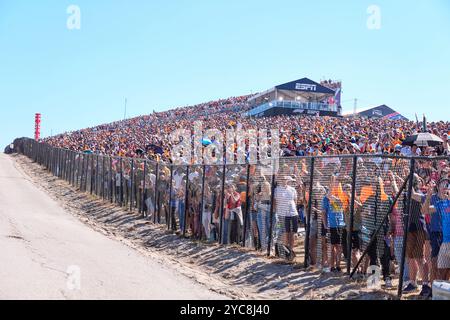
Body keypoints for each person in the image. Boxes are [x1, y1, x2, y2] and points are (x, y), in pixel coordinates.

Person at [322, 176, 346, 272]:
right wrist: (325, 224)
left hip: (340, 225)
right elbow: (323, 212)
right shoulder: (326, 198)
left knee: (339, 247)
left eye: (338, 183)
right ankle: (332, 266)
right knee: (332, 247)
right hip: (331, 225)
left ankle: (338, 265)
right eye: (335, 183)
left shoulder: (341, 196)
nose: (337, 185)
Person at [274, 175, 298, 260]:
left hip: (293, 213)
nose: (284, 180)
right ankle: (286, 252)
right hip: (282, 215)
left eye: (285, 179)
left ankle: (290, 251)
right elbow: (275, 202)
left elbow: (295, 201)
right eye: (282, 179)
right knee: (285, 233)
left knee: (293, 234)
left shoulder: (292, 189)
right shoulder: (276, 190)